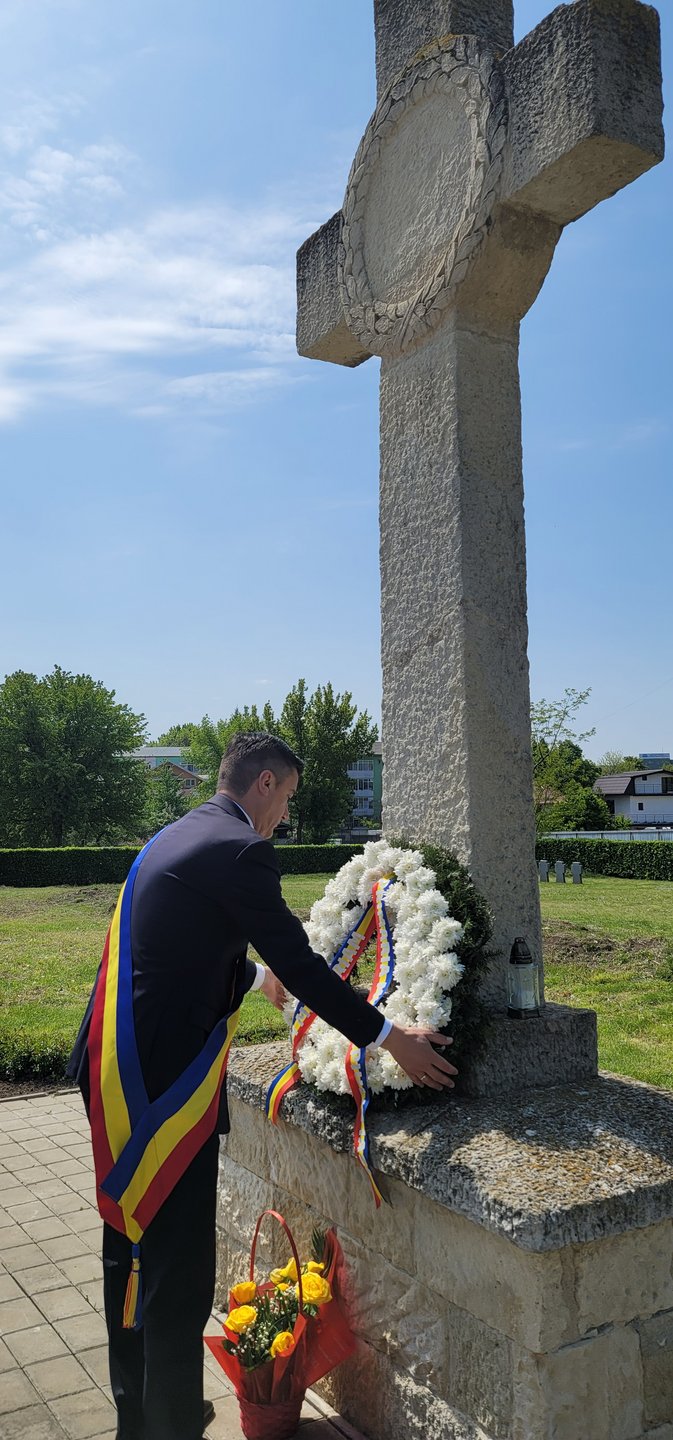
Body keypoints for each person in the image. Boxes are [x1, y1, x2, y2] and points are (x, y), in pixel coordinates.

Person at [68, 732, 457, 1440]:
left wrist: (253, 978)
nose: (284, 817)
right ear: (266, 782)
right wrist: (389, 1038)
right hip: (164, 1093)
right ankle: (170, 1426)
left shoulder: (179, 835)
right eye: (288, 799)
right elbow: (306, 968)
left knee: (130, 1253)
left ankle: (143, 1412)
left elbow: (177, 946)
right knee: (178, 1274)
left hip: (116, 1070)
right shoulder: (241, 849)